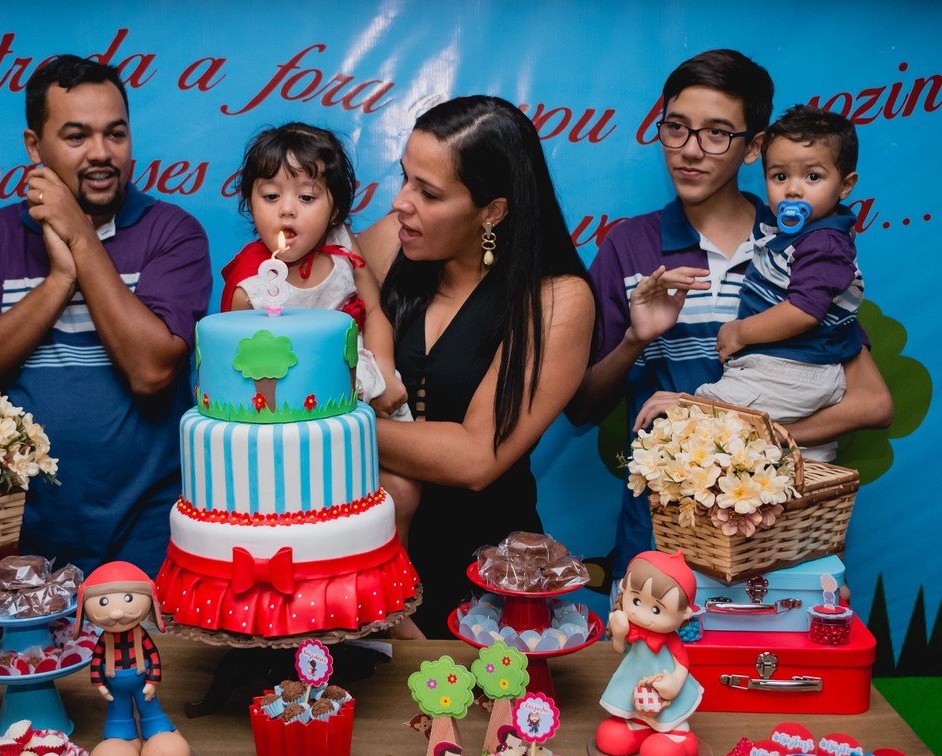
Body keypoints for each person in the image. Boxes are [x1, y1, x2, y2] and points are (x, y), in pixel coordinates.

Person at [565, 50, 891, 586]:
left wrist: (743, 450)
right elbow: (580, 409)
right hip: (663, 539)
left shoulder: (800, 245)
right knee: (653, 672)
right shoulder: (629, 246)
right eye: (676, 128)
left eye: (717, 133)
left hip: (776, 539)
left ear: (754, 148)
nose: (690, 151)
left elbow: (872, 402)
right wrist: (633, 340)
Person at [0, 55, 212, 578]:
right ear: (35, 147)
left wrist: (79, 239)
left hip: (150, 532)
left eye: (116, 134)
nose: (102, 154)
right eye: (77, 136)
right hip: (20, 531)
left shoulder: (172, 234)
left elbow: (152, 371)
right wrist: (59, 282)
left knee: (144, 663)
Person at [358, 95, 596, 639]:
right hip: (364, 571)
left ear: (493, 209)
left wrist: (322, 429)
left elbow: (476, 456)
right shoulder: (388, 247)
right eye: (404, 178)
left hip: (482, 584)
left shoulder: (555, 299)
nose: (400, 203)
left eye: (429, 192)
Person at [219, 123, 417, 540]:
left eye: (307, 197)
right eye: (270, 196)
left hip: (365, 385)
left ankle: (388, 588)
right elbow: (242, 376)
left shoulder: (344, 245)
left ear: (336, 210)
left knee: (401, 494)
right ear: (249, 202)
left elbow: (375, 308)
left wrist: (384, 369)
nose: (287, 210)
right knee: (319, 518)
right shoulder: (247, 286)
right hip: (297, 417)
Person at [689, 105, 862, 462]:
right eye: (779, 176)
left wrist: (740, 332)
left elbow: (804, 311)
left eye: (813, 177)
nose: (794, 190)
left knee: (702, 419)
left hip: (796, 369)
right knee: (789, 461)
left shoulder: (824, 242)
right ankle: (811, 468)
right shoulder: (789, 233)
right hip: (785, 369)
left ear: (845, 185)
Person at [77, 561, 191, 756]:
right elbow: (96, 662)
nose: (117, 612)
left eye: (128, 599)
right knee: (118, 713)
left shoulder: (141, 636)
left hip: (142, 684)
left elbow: (154, 657)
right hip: (114, 688)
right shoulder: (104, 641)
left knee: (151, 710)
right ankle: (123, 739)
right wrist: (99, 685)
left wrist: (152, 681)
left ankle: (157, 733)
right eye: (103, 602)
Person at [596, 550, 703, 756]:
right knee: (610, 737)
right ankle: (640, 726)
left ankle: (679, 738)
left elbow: (682, 664)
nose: (643, 616)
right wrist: (618, 634)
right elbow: (621, 649)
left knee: (659, 753)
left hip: (664, 695)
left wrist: (673, 683)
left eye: (656, 609)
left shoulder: (670, 641)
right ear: (624, 589)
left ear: (685, 614)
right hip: (633, 685)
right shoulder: (631, 628)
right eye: (636, 601)